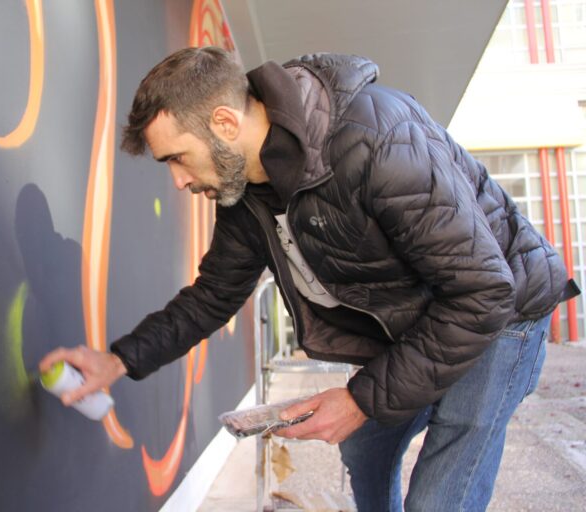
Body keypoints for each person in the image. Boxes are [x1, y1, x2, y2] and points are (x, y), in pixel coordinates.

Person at [39, 47, 578, 511]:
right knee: (365, 449)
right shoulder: (244, 189)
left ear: (225, 124)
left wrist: (360, 399)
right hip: (424, 319)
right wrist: (118, 360)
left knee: (439, 493)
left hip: (504, 312)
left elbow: (482, 292)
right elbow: (213, 296)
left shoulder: (377, 141)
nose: (178, 180)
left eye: (178, 158)